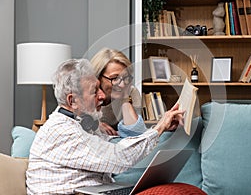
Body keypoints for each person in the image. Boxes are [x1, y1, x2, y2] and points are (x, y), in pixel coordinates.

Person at [26, 59, 184, 194]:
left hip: (96, 190)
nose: (102, 96)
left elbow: (112, 146)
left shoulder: (80, 122)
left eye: (99, 88)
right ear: (72, 101)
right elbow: (119, 157)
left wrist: (162, 129)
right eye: (95, 91)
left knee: (178, 189)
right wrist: (160, 127)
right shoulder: (62, 131)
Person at [91, 48, 144, 137]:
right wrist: (94, 125)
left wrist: (125, 99)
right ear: (98, 78)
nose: (122, 85)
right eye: (115, 78)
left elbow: (136, 133)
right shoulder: (87, 95)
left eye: (126, 77)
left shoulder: (131, 92)